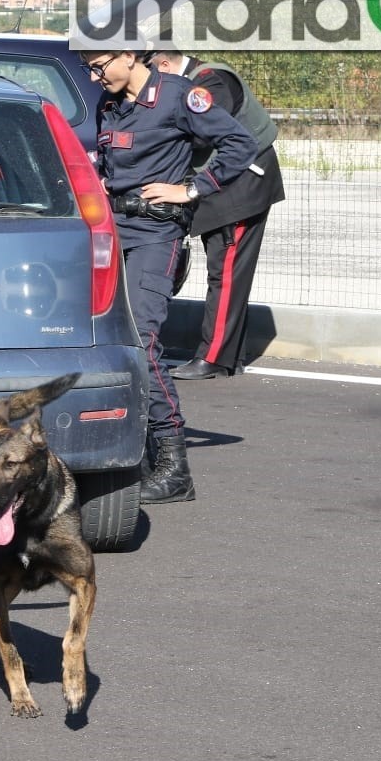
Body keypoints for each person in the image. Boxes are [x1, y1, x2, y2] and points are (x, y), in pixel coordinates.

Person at [79, 47, 256, 504]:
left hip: (156, 236)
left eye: (99, 66)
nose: (95, 76)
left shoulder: (179, 96)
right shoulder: (111, 102)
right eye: (89, 69)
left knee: (142, 338)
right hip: (114, 234)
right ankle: (128, 448)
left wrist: (192, 189)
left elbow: (240, 144)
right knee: (101, 338)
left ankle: (174, 466)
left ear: (126, 55)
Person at [145, 49, 286, 380]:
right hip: (227, 186)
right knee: (227, 273)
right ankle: (228, 355)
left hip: (240, 190)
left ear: (164, 65)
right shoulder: (196, 81)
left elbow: (198, 134)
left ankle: (214, 358)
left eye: (152, 73)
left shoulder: (209, 84)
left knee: (225, 274)